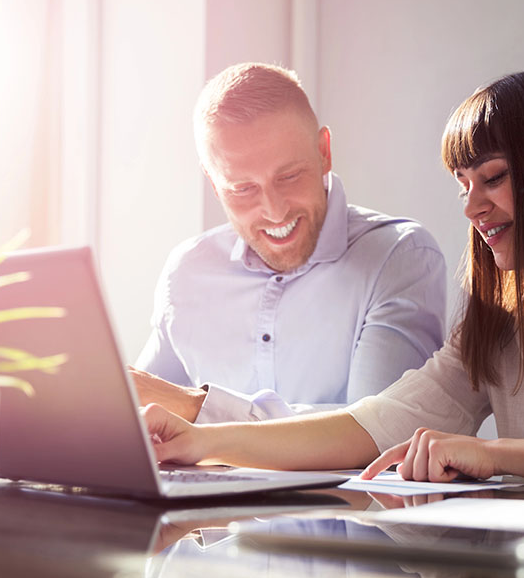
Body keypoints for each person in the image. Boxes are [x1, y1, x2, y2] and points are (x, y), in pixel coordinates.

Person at [141, 69, 524, 496]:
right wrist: (203, 442)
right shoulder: (497, 322)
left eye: (492, 179)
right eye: (463, 187)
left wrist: (495, 457)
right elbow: (370, 426)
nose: (471, 209)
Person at [131, 62, 446, 423]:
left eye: (290, 176)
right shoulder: (187, 271)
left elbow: (378, 433)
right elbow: (143, 408)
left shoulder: (399, 257)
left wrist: (196, 409)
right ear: (214, 183)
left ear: (324, 151)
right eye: (243, 189)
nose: (274, 210)